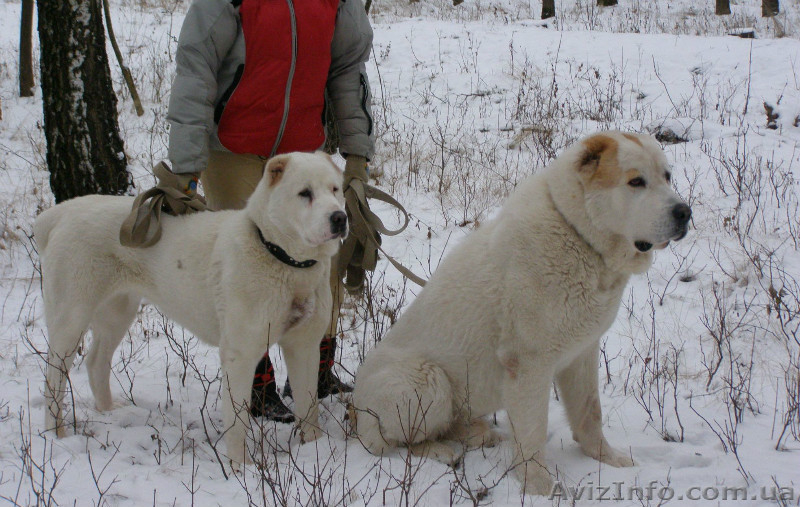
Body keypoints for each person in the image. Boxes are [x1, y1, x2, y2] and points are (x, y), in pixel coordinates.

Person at [165, 0, 376, 421]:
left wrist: (356, 155)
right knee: (251, 267)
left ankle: (315, 374)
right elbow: (196, 70)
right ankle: (256, 384)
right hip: (234, 147)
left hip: (302, 153)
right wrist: (185, 169)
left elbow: (347, 74)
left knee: (322, 268)